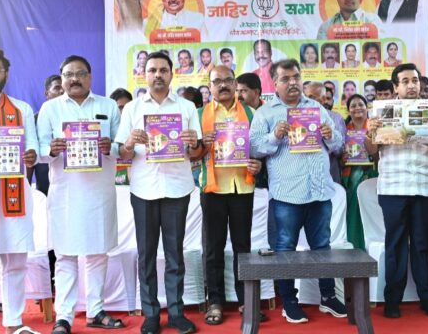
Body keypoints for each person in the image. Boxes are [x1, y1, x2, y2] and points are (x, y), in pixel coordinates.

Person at [249, 59, 347, 324]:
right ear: (275, 83)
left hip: (319, 190)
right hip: (286, 194)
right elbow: (254, 148)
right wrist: (274, 136)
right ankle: (289, 302)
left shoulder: (315, 107)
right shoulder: (265, 113)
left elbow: (338, 144)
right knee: (285, 249)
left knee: (322, 246)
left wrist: (329, 134)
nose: (292, 83)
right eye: (286, 79)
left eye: (296, 77)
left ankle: (328, 297)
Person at [116, 52, 203, 334]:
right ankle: (151, 314)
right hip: (143, 189)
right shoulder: (132, 109)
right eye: (152, 70)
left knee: (175, 254)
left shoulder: (187, 107)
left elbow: (197, 152)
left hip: (177, 188)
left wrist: (194, 143)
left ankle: (176, 313)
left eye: (163, 70)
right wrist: (129, 142)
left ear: (171, 74)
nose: (157, 75)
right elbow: (122, 153)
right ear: (144, 74)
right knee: (147, 255)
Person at [37, 55, 124, 334]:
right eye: (68, 74)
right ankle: (64, 316)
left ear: (90, 77)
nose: (74, 79)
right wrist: (51, 150)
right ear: (62, 78)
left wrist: (111, 147)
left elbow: (122, 148)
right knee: (65, 255)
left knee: (98, 252)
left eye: (80, 73)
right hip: (66, 194)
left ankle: (96, 310)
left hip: (99, 192)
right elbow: (38, 151)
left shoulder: (108, 106)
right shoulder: (50, 109)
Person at [364, 63, 428, 319]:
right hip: (393, 186)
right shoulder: (381, 113)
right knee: (396, 244)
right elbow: (371, 151)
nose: (412, 85)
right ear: (396, 87)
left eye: (415, 80)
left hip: (426, 185)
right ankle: (393, 299)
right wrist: (370, 134)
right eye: (405, 81)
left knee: (423, 243)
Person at [197, 65, 263, 325]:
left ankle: (246, 300)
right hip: (213, 188)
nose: (222, 85)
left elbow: (259, 148)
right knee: (213, 247)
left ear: (235, 84)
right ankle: (215, 301)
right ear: (210, 86)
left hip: (242, 187)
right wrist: (202, 144)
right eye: (217, 81)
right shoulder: (199, 114)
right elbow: (191, 154)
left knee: (242, 247)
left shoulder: (251, 112)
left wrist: (258, 164)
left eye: (227, 80)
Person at [0, 48, 40, 334]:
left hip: (15, 194)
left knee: (16, 262)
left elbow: (34, 148)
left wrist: (31, 155)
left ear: (6, 74)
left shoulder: (21, 109)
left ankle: (14, 322)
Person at [341, 94, 377, 250]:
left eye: (361, 105)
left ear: (367, 108)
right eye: (353, 106)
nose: (357, 108)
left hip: (372, 174)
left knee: (370, 213)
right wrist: (342, 158)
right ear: (348, 110)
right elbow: (338, 157)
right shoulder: (344, 130)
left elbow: (378, 154)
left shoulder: (375, 127)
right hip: (350, 176)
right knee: (353, 212)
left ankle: (371, 248)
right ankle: (355, 247)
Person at [28, 74, 63, 196]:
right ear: (47, 94)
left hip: (69, 183)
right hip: (45, 186)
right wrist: (27, 188)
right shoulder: (34, 120)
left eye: (64, 88)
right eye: (57, 88)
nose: (62, 91)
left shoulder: (74, 117)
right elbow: (30, 154)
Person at [304, 82, 346, 185]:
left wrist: (330, 137)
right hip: (303, 175)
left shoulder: (335, 118)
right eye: (305, 96)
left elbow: (340, 149)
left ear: (323, 99)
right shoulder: (296, 117)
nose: (306, 100)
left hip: (329, 172)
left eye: (311, 97)